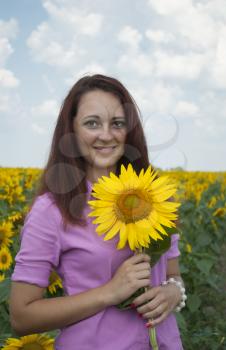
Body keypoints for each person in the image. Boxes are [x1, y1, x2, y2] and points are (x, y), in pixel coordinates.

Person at [10, 74, 184, 349]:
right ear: (72, 130)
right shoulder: (52, 210)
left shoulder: (157, 196)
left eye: (117, 123)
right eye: (92, 123)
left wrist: (174, 292)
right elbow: (21, 316)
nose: (106, 135)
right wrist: (109, 293)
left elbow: (172, 273)